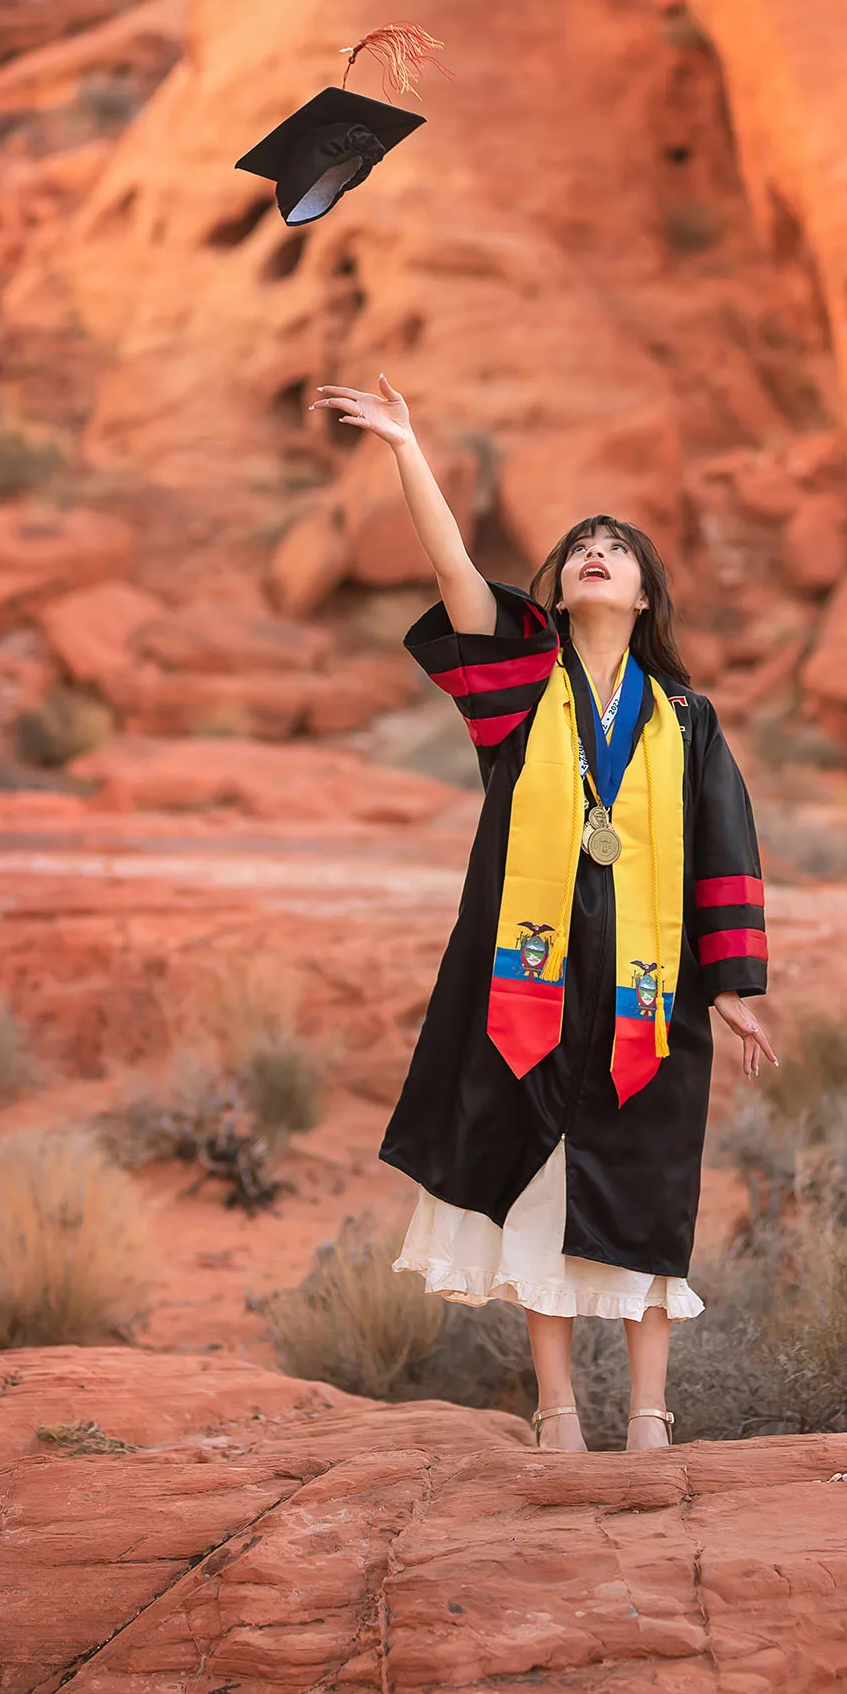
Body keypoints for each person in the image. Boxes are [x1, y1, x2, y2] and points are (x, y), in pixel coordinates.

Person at [312, 374, 777, 1452]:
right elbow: (451, 572)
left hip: (649, 997)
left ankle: (653, 1416)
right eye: (580, 549)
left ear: (646, 596)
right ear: (561, 595)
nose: (595, 554)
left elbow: (726, 854)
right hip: (530, 985)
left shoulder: (688, 723)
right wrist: (405, 446)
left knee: (651, 1199)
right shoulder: (519, 694)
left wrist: (738, 987)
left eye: (617, 547)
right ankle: (558, 1410)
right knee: (541, 1194)